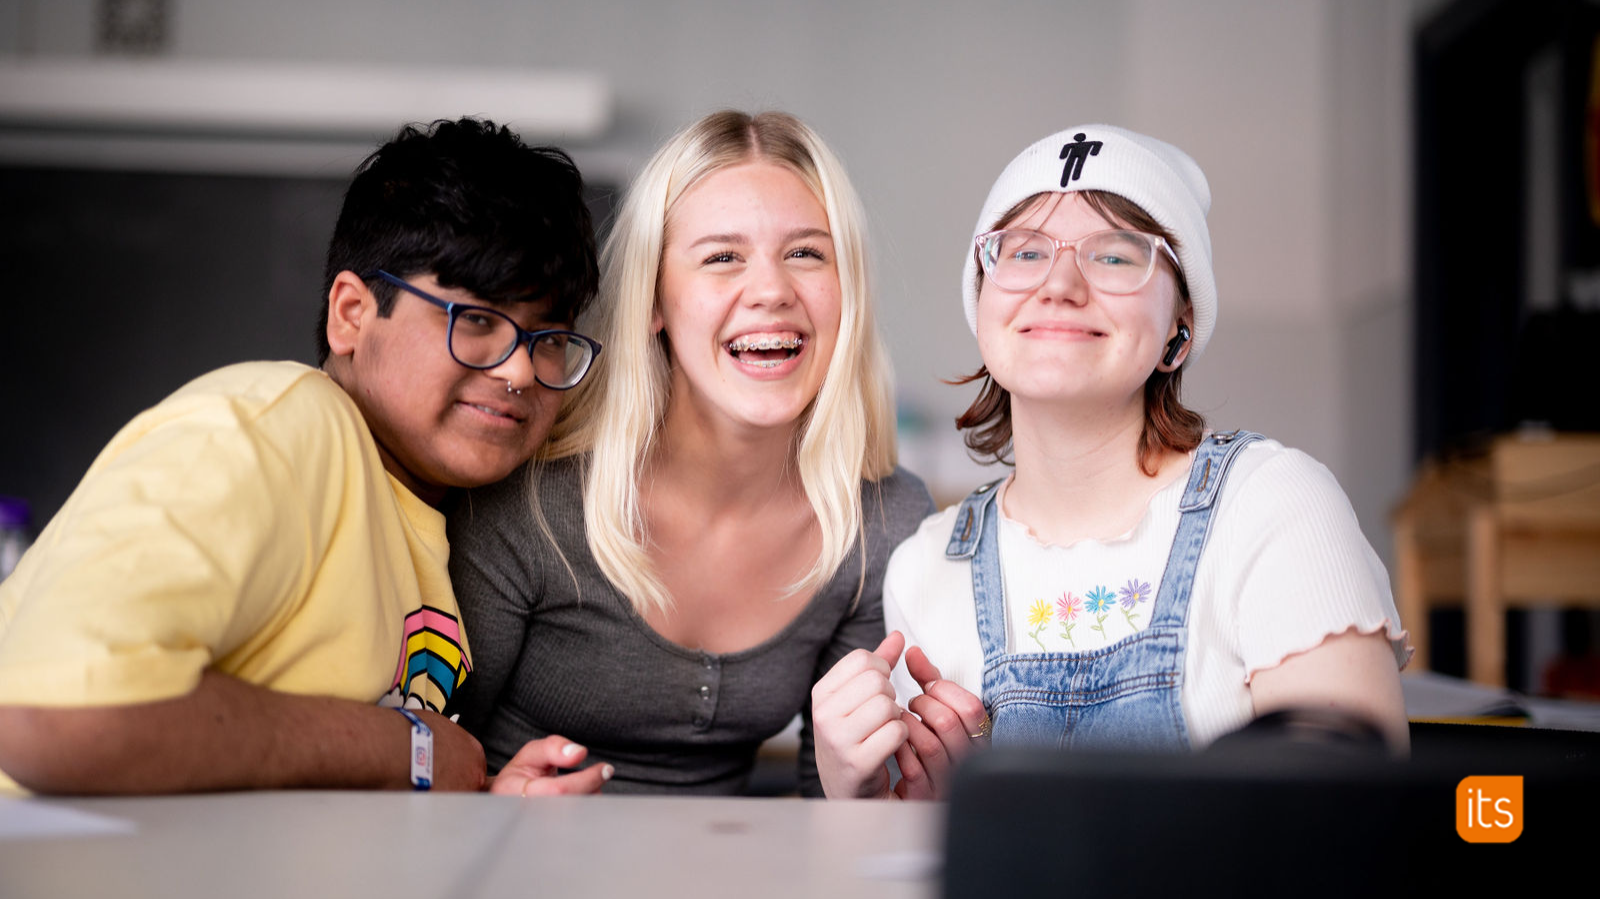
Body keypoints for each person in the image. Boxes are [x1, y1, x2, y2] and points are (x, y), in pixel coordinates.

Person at [0, 118, 611, 798]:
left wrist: (471, 796)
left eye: (549, 337)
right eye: (475, 320)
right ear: (351, 313)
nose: (522, 371)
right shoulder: (276, 425)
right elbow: (48, 715)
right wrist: (400, 746)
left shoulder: (428, 518)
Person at [813, 124, 1412, 800]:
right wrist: (862, 792)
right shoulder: (928, 564)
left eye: (1117, 256)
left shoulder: (1272, 506)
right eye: (1025, 250)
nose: (1059, 283)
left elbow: (1354, 830)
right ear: (983, 301)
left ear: (1179, 327)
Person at [446, 110, 933, 796]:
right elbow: (419, 758)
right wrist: (490, 802)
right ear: (654, 301)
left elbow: (827, 817)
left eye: (806, 253)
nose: (771, 291)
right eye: (721, 256)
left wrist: (858, 781)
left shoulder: (883, 521)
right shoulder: (527, 501)